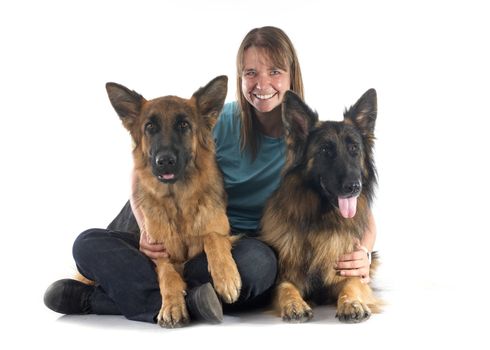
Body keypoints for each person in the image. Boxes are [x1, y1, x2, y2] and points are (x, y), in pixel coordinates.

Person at [44, 26, 376, 324]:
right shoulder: (222, 121)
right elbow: (143, 167)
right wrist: (145, 229)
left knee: (261, 267)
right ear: (240, 77)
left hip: (239, 247)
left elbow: (353, 203)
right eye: (251, 73)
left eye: (275, 71)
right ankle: (191, 300)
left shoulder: (308, 136)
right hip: (178, 233)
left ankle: (102, 297)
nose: (262, 84)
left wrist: (362, 252)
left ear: (292, 76)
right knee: (86, 243)